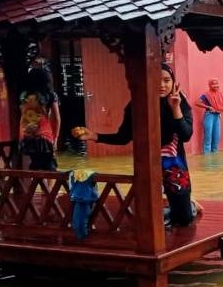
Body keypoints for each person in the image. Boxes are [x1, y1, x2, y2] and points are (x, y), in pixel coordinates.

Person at [77, 64, 195, 227]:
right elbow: (124, 137)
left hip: (173, 163)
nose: (162, 85)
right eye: (156, 81)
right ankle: (176, 206)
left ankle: (190, 205)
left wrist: (175, 107)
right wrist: (94, 136)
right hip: (147, 161)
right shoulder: (137, 104)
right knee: (147, 215)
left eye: (167, 80)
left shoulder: (179, 102)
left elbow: (186, 135)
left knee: (184, 219)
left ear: (173, 82)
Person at [18, 66, 61, 171]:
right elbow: (57, 118)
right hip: (44, 135)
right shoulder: (50, 95)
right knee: (50, 165)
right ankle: (49, 188)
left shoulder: (24, 96)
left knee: (35, 164)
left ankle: (41, 186)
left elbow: (23, 114)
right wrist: (55, 139)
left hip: (28, 134)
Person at [196, 77, 223, 153]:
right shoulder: (206, 94)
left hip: (217, 116)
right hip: (209, 115)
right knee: (208, 137)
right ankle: (207, 159)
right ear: (209, 85)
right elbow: (197, 102)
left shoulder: (220, 94)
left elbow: (222, 105)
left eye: (217, 83)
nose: (215, 85)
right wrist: (208, 107)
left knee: (216, 137)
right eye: (213, 84)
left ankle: (215, 160)